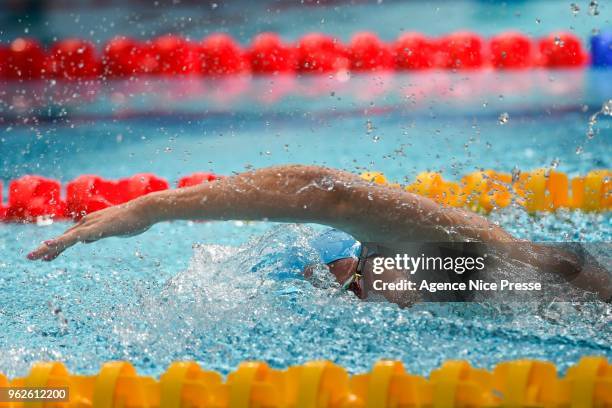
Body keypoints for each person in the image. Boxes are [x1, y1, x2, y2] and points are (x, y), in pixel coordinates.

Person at [28, 165, 610, 304]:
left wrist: (152, 207)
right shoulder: (480, 286)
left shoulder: (486, 263)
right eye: (355, 290)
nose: (380, 287)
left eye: (357, 274)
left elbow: (329, 193)